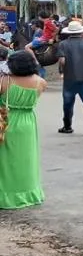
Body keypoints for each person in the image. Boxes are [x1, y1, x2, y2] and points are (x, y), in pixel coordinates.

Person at [0, 52, 47, 209]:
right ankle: (28, 192)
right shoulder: (41, 82)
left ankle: (5, 194)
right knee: (26, 159)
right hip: (27, 123)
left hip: (7, 121)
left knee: (6, 161)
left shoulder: (5, 81)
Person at [56, 20, 83, 136]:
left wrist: (61, 71)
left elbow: (62, 61)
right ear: (81, 32)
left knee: (68, 103)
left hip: (69, 78)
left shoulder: (63, 44)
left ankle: (67, 125)